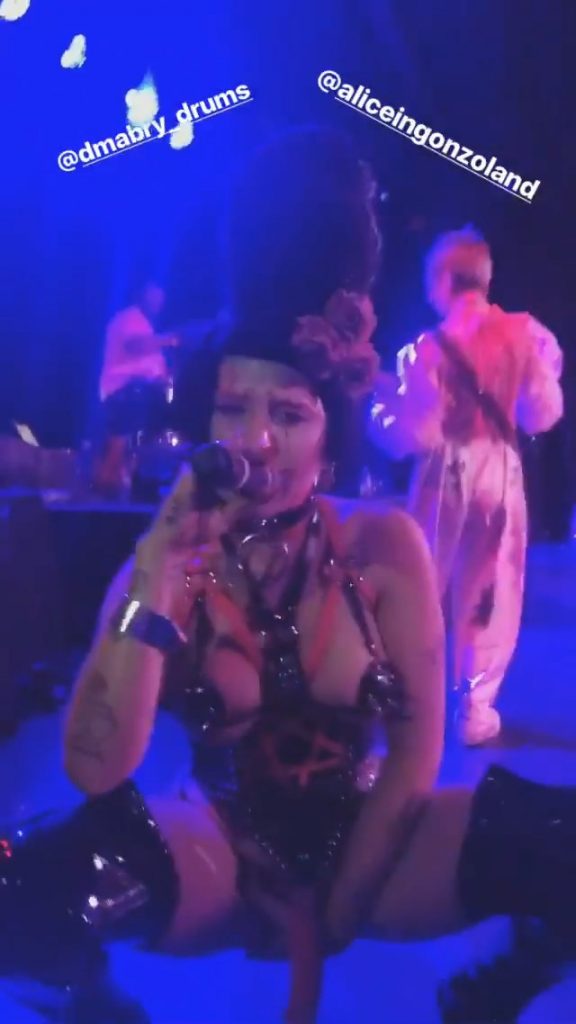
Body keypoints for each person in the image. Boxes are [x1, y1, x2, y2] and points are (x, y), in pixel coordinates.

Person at [1, 132, 574, 1024]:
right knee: (17, 888)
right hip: (216, 851)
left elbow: (415, 755)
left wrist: (335, 915)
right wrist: (155, 574)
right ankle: (103, 1014)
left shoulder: (382, 543)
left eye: (290, 413)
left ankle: (500, 984)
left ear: (328, 434)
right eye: (232, 407)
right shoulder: (175, 552)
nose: (257, 438)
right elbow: (94, 766)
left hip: (380, 844)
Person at [369, 228, 564, 745]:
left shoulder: (428, 349)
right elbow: (541, 413)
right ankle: (473, 710)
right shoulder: (525, 334)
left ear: (442, 279)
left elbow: (415, 433)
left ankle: (412, 698)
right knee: (490, 588)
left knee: (423, 583)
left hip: (445, 471)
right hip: (499, 469)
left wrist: (380, 406)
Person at [94, 280, 179, 497]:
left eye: (160, 299)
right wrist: (168, 340)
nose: (158, 303)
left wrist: (164, 375)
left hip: (137, 391)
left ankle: (123, 486)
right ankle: (105, 490)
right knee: (120, 441)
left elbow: (150, 360)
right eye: (154, 297)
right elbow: (136, 346)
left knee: (132, 445)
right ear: (141, 296)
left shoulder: (144, 324)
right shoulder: (130, 317)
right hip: (127, 389)